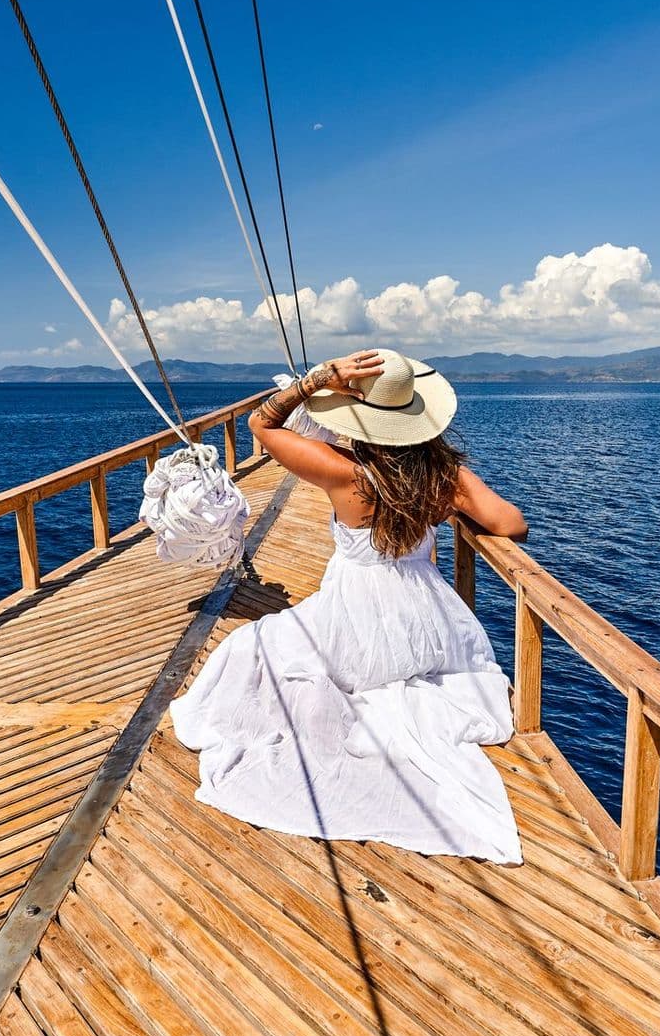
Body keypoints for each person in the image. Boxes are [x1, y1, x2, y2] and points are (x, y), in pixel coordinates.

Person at [169, 348, 530, 863]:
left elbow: (262, 424)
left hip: (355, 604)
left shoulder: (345, 473)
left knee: (251, 645)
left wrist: (315, 381)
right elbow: (511, 523)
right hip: (422, 607)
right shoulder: (441, 477)